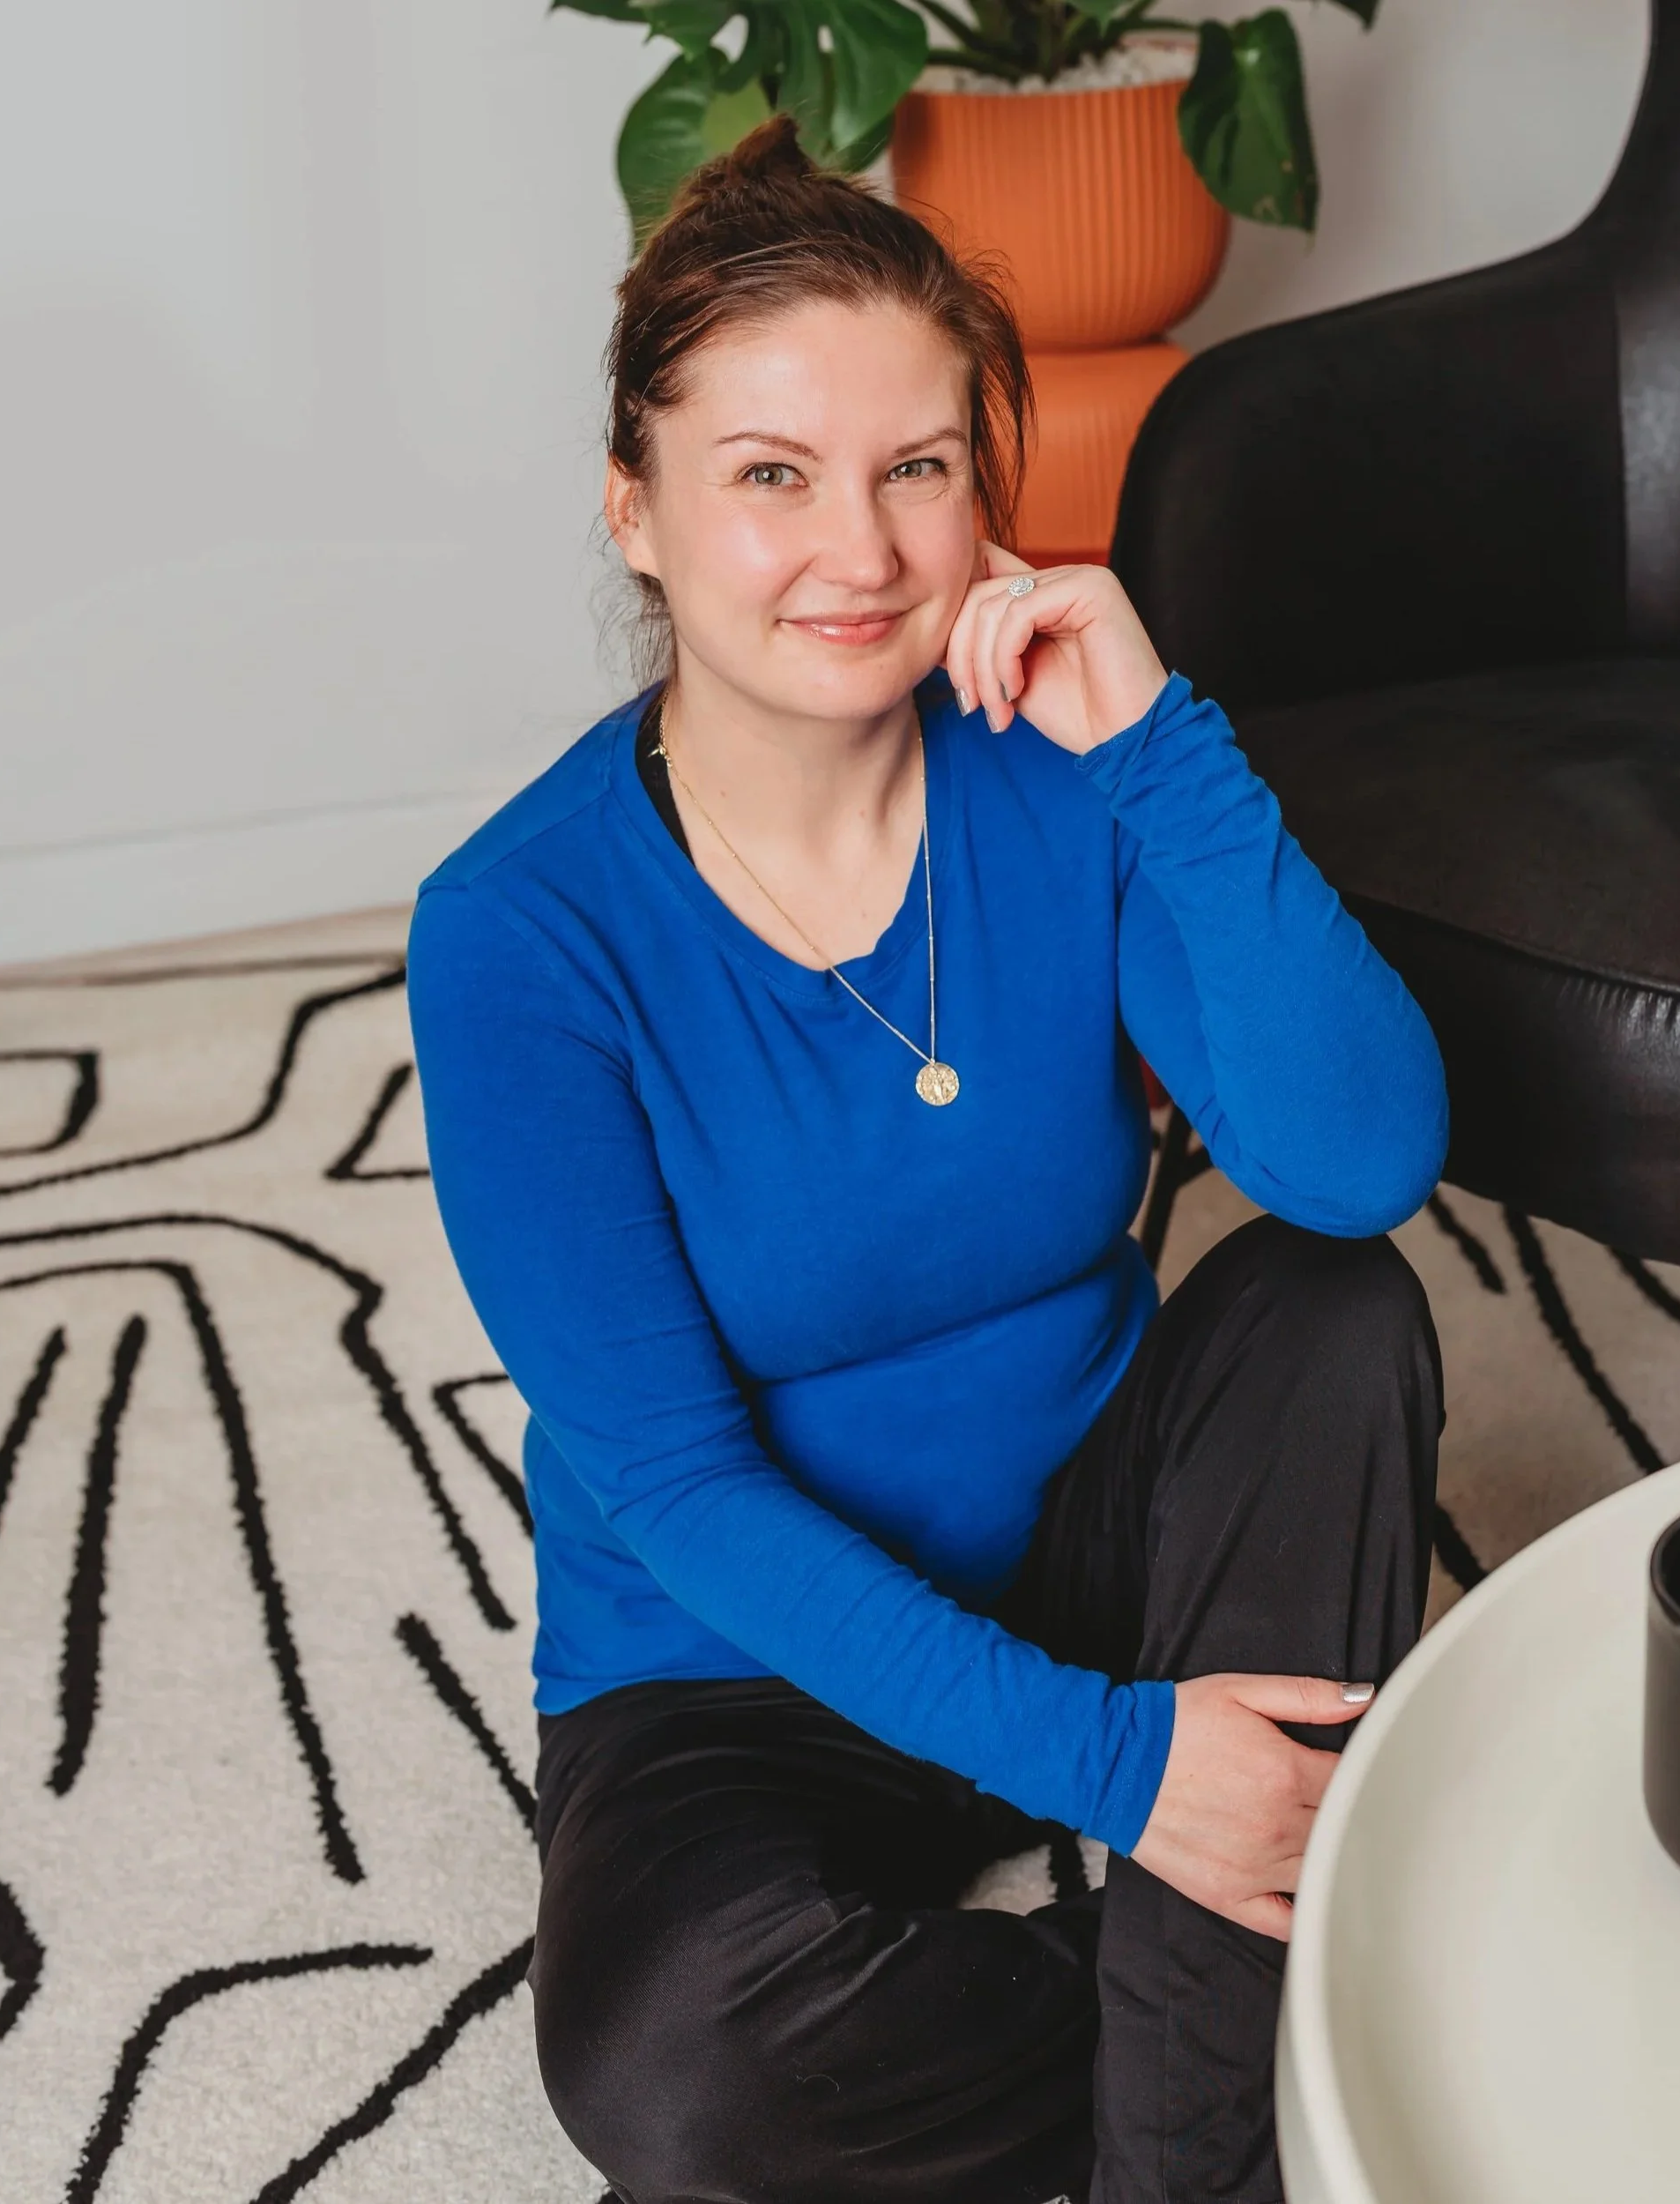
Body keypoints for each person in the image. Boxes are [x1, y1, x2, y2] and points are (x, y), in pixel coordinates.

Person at [407, 115, 1449, 2204]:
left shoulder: (1067, 764)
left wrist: (1160, 741)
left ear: (991, 489)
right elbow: (680, 1485)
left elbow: (1356, 1157)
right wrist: (1121, 1767)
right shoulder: (516, 934)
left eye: (919, 468)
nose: (860, 552)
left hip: (1086, 1531)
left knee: (1334, 1306)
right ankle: (1251, 1971)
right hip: (742, 1645)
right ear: (636, 506)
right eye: (770, 475)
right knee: (685, 2075)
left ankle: (1186, 2154)